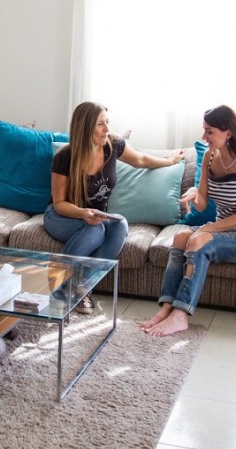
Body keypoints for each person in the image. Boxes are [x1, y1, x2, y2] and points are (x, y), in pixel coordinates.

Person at [143, 105, 236, 337]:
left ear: (228, 132)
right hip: (223, 230)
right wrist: (194, 193)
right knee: (180, 237)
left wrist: (206, 230)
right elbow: (202, 204)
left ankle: (181, 314)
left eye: (210, 131)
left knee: (199, 239)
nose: (204, 137)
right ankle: (167, 307)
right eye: (204, 130)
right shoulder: (210, 156)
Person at [45, 101, 187, 314]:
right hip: (63, 216)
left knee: (120, 224)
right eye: (100, 124)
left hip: (96, 216)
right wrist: (83, 213)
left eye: (107, 122)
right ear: (85, 127)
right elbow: (59, 204)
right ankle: (60, 285)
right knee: (95, 229)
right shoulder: (64, 157)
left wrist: (170, 161)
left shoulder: (113, 145)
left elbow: (140, 160)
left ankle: (81, 288)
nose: (107, 129)